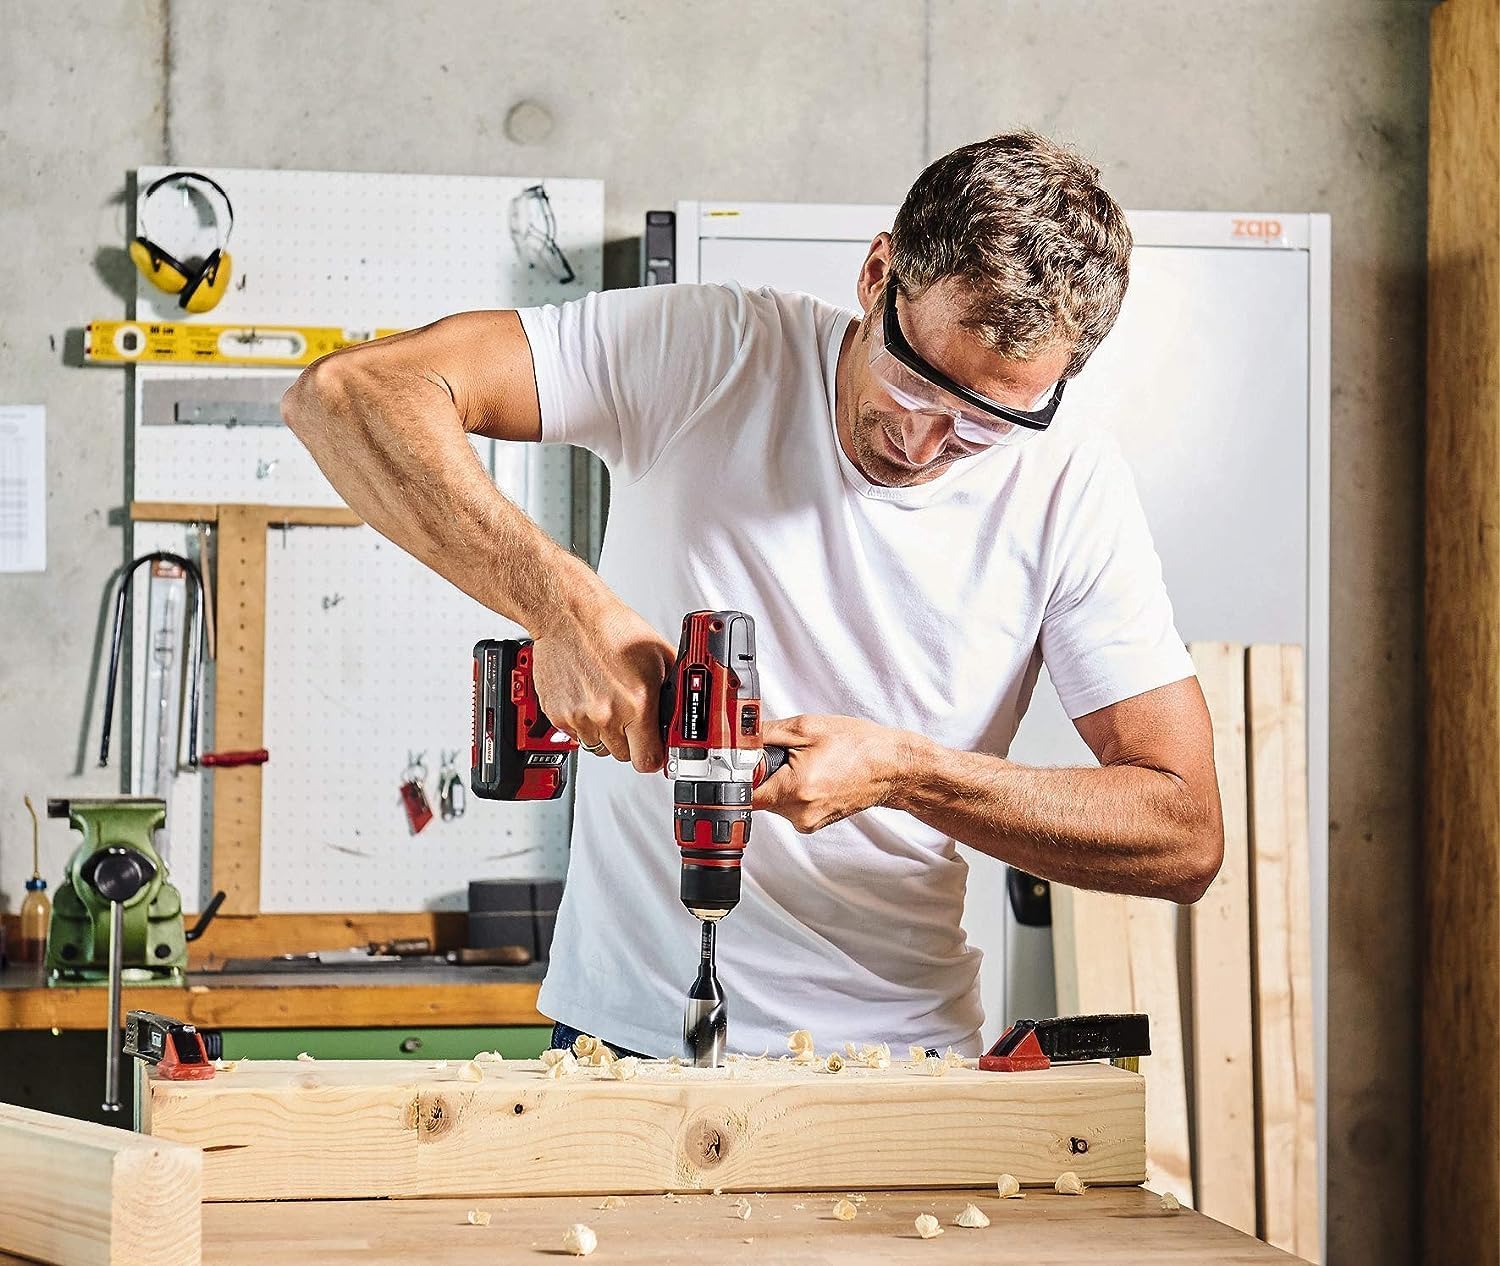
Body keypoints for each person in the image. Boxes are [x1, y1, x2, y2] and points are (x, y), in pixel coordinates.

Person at [282, 130, 1223, 1060]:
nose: (926, 443)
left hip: (895, 1057)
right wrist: (563, 607)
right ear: (877, 274)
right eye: (915, 383)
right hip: (624, 1038)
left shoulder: (1072, 489)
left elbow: (1182, 834)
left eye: (990, 422)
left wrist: (909, 774)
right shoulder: (713, 351)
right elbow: (350, 395)